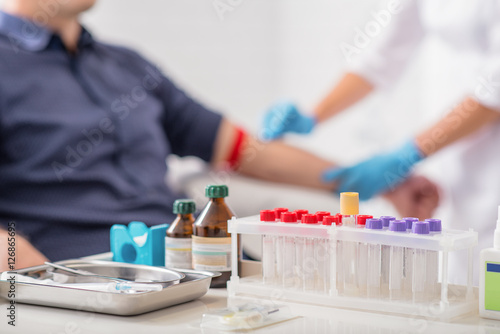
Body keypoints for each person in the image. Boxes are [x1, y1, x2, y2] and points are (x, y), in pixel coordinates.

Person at [0, 0, 438, 271]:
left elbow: (242, 150)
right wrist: (38, 287)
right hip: (83, 276)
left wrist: (370, 180)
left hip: (190, 270)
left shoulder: (128, 66)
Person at [262, 0, 500, 283]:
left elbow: (493, 88)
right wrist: (313, 116)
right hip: (449, 156)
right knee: (458, 275)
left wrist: (409, 153)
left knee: (487, 276)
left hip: (489, 153)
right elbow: (379, 55)